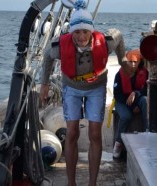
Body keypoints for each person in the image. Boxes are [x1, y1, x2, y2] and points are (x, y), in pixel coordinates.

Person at [39, 0, 127, 185]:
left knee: (95, 133)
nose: (81, 36)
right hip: (72, 87)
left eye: (85, 31)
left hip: (96, 87)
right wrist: (44, 84)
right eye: (76, 32)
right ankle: (71, 182)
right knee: (71, 133)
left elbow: (118, 36)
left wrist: (123, 61)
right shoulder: (59, 46)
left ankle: (92, 182)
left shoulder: (105, 42)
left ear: (91, 30)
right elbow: (47, 56)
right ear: (71, 32)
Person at [112, 49, 148, 159]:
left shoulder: (145, 73)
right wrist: (132, 107)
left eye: (135, 62)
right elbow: (117, 94)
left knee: (145, 101)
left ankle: (148, 132)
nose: (132, 64)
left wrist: (135, 93)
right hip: (122, 102)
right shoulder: (119, 75)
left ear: (139, 62)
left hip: (138, 100)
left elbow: (147, 89)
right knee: (126, 116)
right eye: (130, 62)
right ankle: (118, 143)